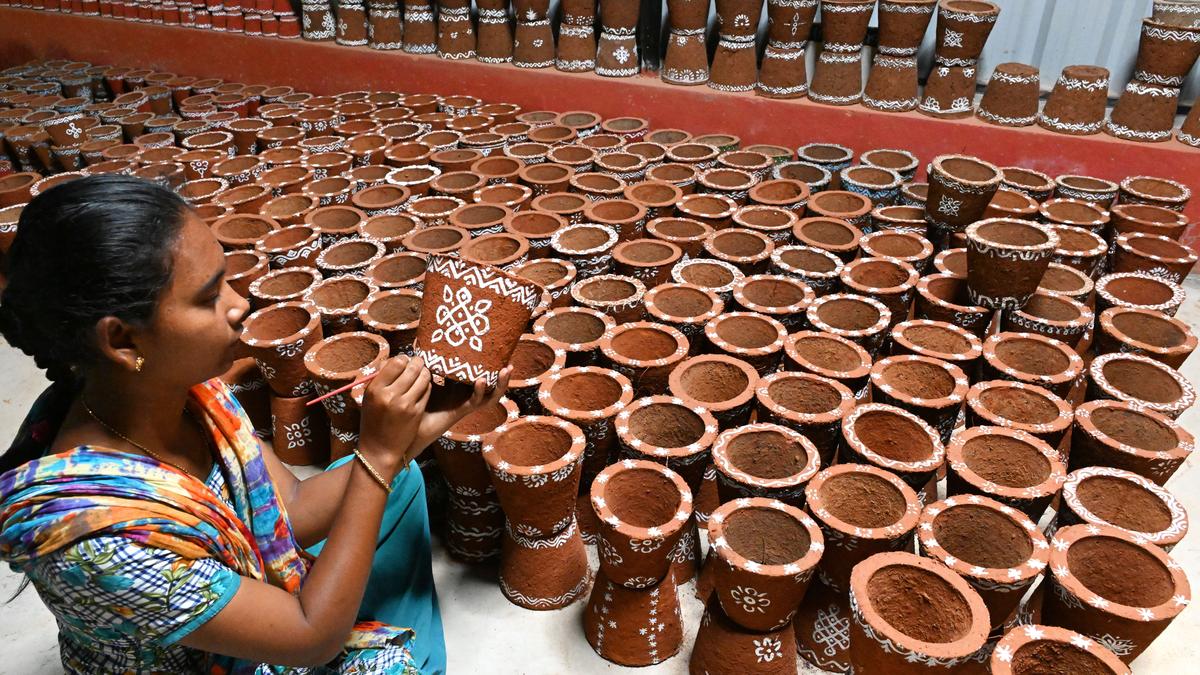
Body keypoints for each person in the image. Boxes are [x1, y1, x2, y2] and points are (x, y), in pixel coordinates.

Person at [0, 175, 504, 673]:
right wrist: (377, 456)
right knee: (384, 659)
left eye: (228, 279)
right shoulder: (97, 543)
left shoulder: (187, 391)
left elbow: (293, 508)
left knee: (401, 481)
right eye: (209, 295)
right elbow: (311, 639)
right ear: (123, 341)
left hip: (250, 599)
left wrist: (423, 429)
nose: (240, 304)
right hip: (203, 664)